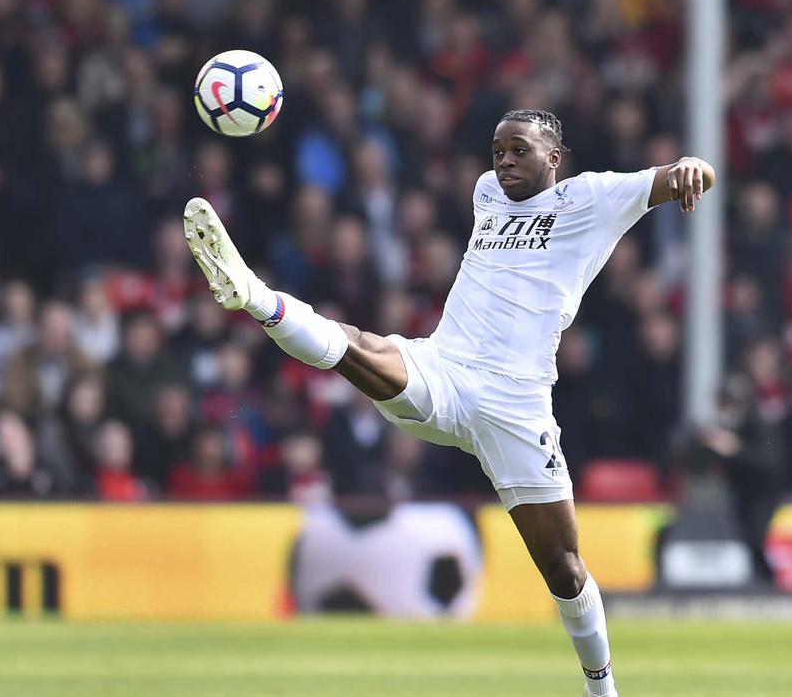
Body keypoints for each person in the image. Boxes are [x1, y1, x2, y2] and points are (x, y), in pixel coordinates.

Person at [184, 109, 713, 697]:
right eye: (498, 151)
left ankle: (602, 689)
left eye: (519, 150)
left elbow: (683, 176)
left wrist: (692, 167)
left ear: (554, 158)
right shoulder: (487, 192)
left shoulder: (592, 198)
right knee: (360, 347)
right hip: (444, 368)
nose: (504, 162)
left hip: (516, 404)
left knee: (563, 568)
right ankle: (256, 296)